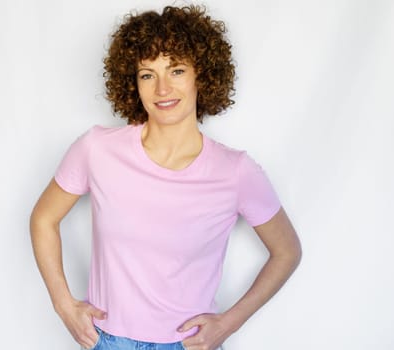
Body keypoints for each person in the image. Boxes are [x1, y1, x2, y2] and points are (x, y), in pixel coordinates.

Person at [30, 5, 301, 350]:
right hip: (107, 340)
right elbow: (43, 218)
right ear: (133, 82)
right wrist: (64, 306)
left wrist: (229, 324)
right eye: (147, 74)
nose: (162, 89)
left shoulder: (236, 172)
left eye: (176, 70)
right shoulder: (96, 149)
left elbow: (287, 251)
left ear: (201, 74)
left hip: (189, 345)